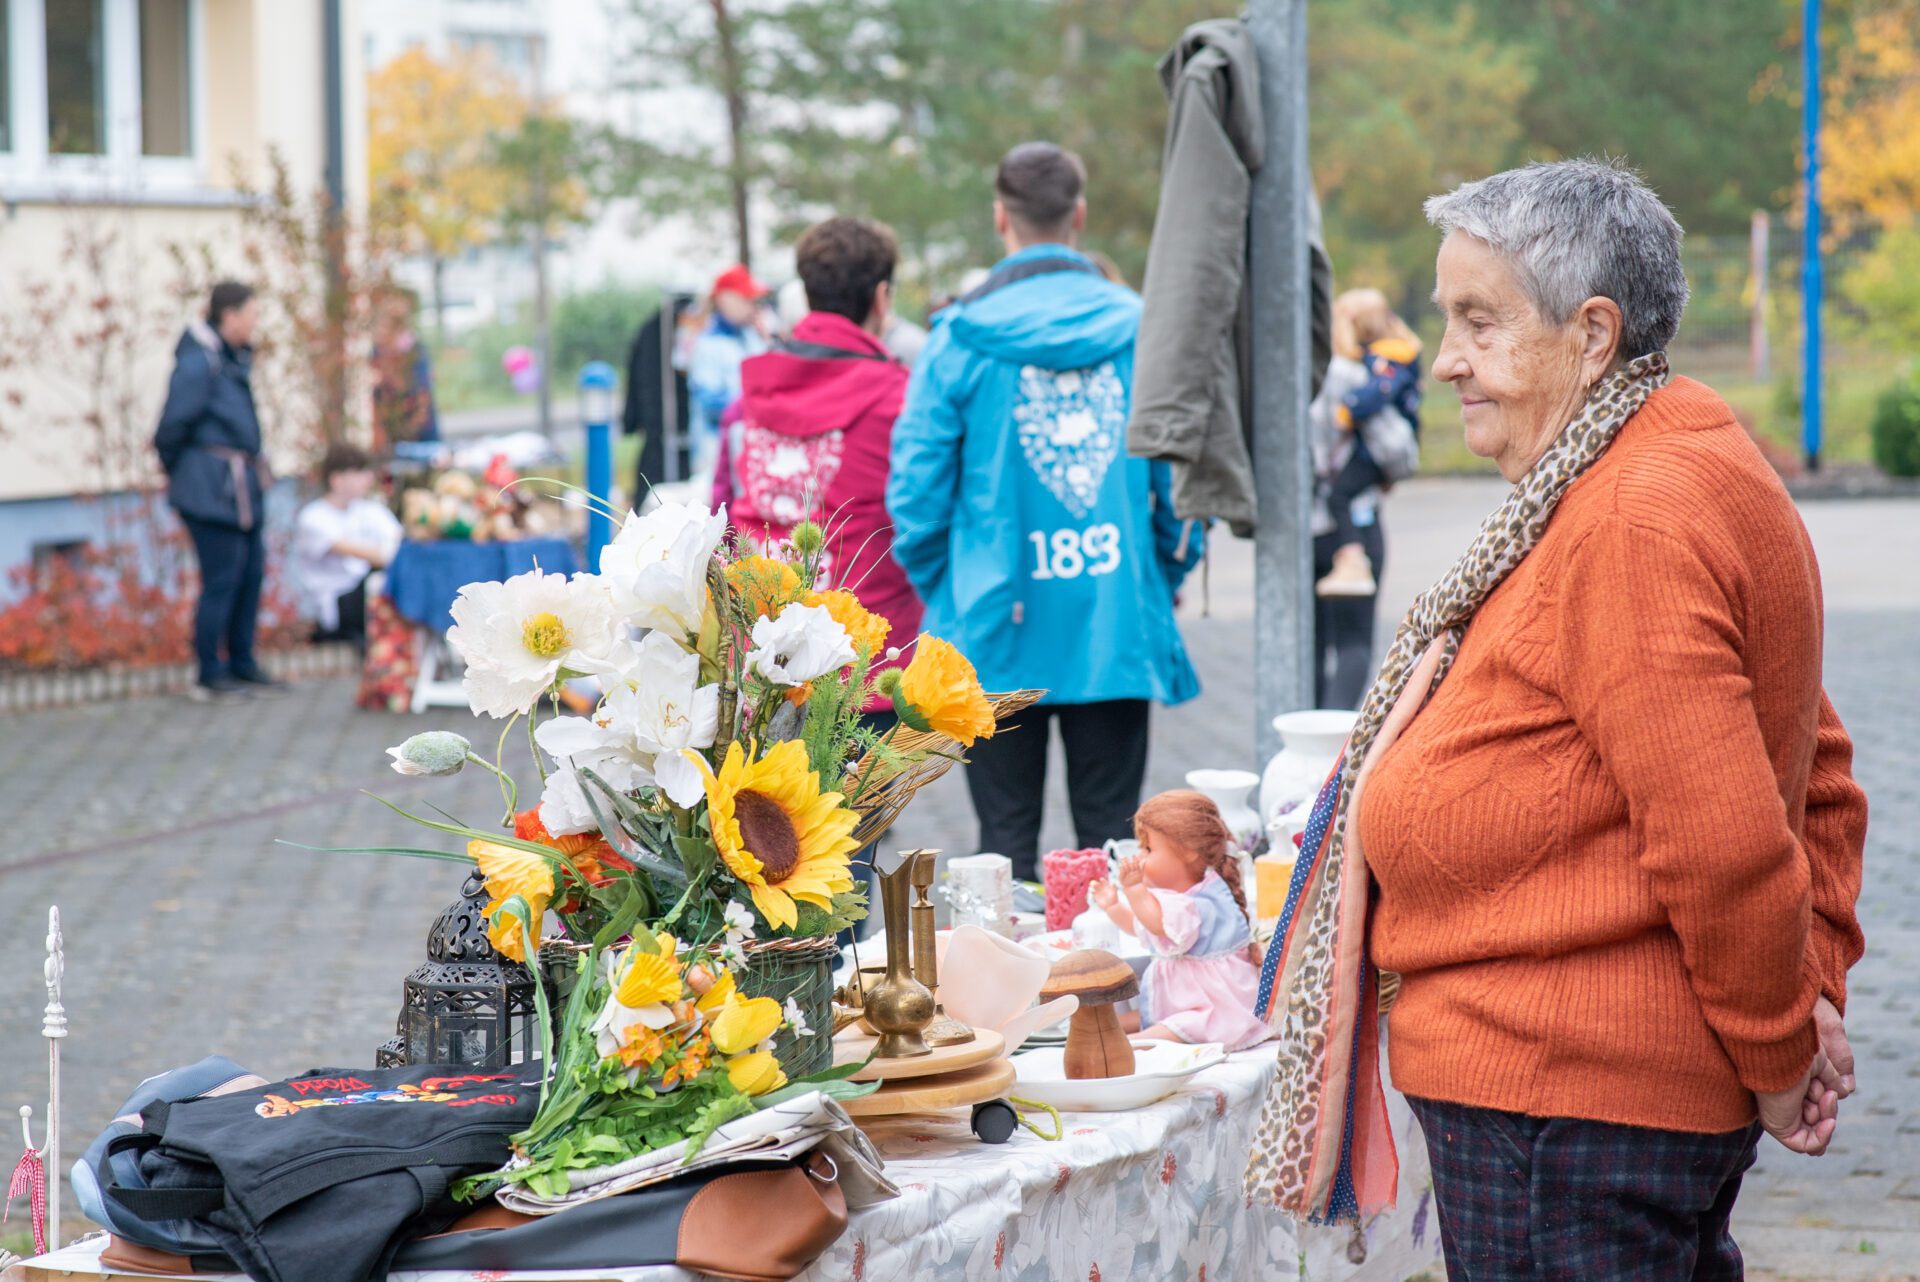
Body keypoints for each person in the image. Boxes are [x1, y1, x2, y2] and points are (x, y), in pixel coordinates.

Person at [1244, 159, 1869, 1278]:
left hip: (1571, 1112)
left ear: (1592, 335)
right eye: (1448, 321)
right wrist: (1805, 989)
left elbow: (1728, 838)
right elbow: (1813, 762)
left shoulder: (1632, 516)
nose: (1447, 360)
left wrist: (1783, 1043)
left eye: (1479, 322)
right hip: (1580, 1108)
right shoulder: (1652, 462)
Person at [887, 142, 1204, 881]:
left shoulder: (956, 339)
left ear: (1001, 217)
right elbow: (1184, 483)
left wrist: (953, 585)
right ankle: (1109, 958)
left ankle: (1007, 962)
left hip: (993, 621)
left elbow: (915, 497)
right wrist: (1159, 571)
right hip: (1113, 611)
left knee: (1001, 852)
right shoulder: (1146, 331)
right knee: (1115, 843)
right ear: (1079, 215)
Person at [713, 216, 922, 689]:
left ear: (808, 295)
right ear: (882, 297)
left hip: (762, 657)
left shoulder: (757, 390)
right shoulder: (900, 399)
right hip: (865, 664)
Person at [155, 280, 284, 702]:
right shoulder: (199, 362)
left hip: (241, 489)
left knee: (250, 575)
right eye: (252, 314)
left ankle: (242, 663)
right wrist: (193, 474)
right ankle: (210, 672)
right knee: (221, 580)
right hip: (210, 493)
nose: (255, 323)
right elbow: (170, 430)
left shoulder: (229, 358)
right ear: (229, 315)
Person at [1306, 290, 1422, 708]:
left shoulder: (1298, 376)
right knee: (1352, 643)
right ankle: (1333, 739)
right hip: (1355, 528)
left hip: (1306, 529)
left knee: (1309, 645)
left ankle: (1306, 732)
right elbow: (1397, 448)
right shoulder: (1355, 377)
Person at [1087, 790, 1266, 1051]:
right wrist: (1114, 906)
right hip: (1188, 1000)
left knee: (1173, 1028)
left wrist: (1134, 890)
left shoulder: (1192, 904)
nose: (1140, 856)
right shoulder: (1194, 894)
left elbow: (1157, 924)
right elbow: (1141, 926)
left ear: (1189, 852)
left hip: (1214, 1009)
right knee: (1142, 1018)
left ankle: (1124, 1044)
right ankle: (1096, 1030)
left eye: (1148, 849)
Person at [1314, 289, 1422, 597]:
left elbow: (1377, 394)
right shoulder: (1400, 352)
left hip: (1368, 459)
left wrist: (1350, 409)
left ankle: (1352, 557)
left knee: (1338, 495)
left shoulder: (1378, 362)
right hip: (1382, 462)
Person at [293, 443, 403, 648]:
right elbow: (379, 556)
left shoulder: (372, 510)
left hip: (369, 592)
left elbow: (399, 544)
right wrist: (387, 554)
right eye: (359, 472)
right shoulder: (313, 517)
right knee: (380, 581)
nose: (368, 478)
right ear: (337, 479)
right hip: (338, 604)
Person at [687, 264, 771, 474]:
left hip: (749, 449)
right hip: (715, 454)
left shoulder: (752, 336)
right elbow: (710, 403)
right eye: (747, 299)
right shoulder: (707, 344)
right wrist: (758, 404)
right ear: (725, 300)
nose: (753, 306)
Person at [369, 290, 439, 447]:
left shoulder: (414, 351)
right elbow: (376, 394)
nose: (380, 331)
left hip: (418, 429)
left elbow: (422, 393)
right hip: (390, 426)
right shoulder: (377, 351)